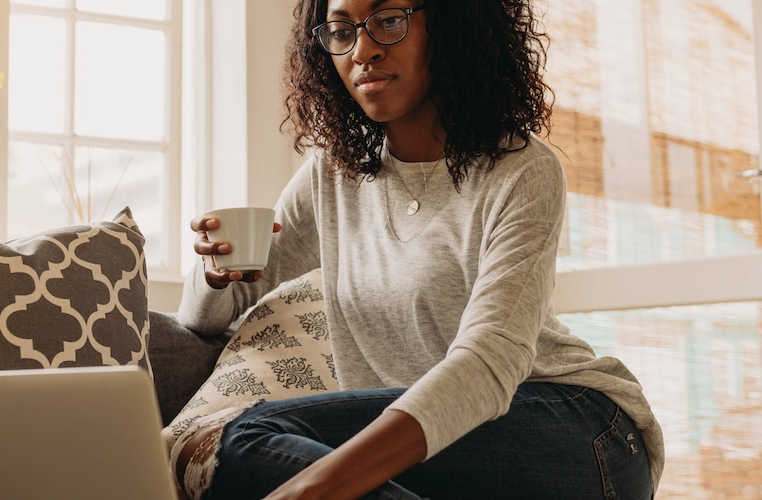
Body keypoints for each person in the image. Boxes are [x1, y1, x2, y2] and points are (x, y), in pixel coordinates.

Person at [174, 0, 664, 498]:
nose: (362, 50)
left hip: (579, 430)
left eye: (388, 21)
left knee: (252, 438)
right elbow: (208, 314)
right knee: (232, 446)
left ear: (451, 28)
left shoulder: (521, 171)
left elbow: (488, 363)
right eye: (342, 31)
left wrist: (309, 490)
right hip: (431, 444)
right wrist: (215, 270)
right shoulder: (331, 177)